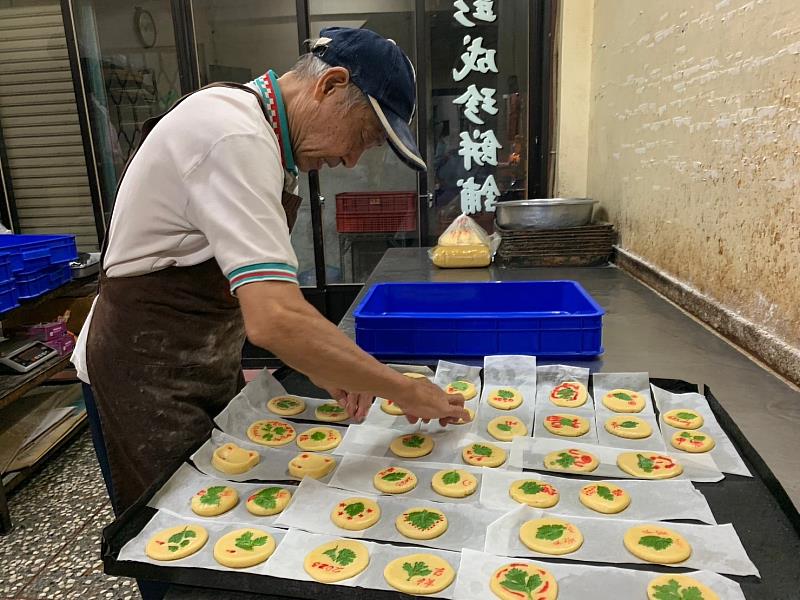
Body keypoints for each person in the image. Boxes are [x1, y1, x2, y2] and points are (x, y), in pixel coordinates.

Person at [72, 27, 468, 522]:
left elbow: (271, 298)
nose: (350, 160)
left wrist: (333, 365)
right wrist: (402, 388)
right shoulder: (231, 134)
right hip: (143, 376)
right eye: (364, 137)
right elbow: (275, 318)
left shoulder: (267, 141)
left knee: (221, 522)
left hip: (200, 364)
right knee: (176, 537)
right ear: (331, 85)